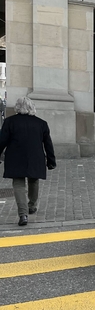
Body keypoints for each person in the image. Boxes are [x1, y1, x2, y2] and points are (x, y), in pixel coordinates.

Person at [0, 97, 56, 226]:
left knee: (18, 184)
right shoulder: (41, 123)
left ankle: (23, 214)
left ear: (17, 107)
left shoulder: (10, 122)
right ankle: (31, 206)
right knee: (33, 180)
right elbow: (48, 144)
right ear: (32, 107)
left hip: (15, 157)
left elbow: (2, 141)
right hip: (35, 157)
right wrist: (51, 160)